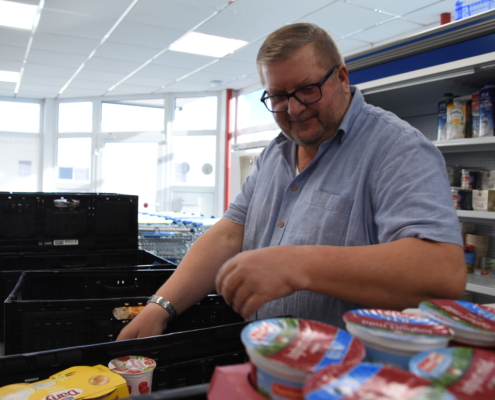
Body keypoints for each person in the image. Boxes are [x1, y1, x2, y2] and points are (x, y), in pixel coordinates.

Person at [117, 23, 466, 340]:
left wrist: (298, 265)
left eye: (308, 89)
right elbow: (229, 233)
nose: (295, 109)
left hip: (350, 380)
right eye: (280, 97)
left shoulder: (396, 148)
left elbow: (441, 273)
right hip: (272, 365)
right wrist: (159, 307)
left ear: (342, 78)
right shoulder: (276, 154)